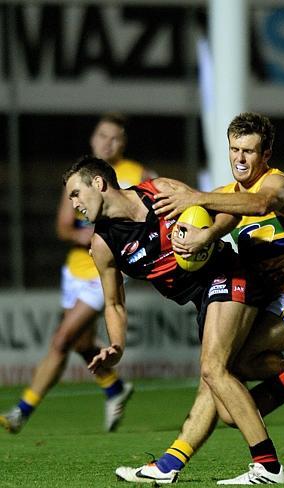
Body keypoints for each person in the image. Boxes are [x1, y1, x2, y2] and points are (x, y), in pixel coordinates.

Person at [62, 157, 284, 485]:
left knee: (212, 369)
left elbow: (224, 210)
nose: (73, 204)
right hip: (204, 299)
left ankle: (268, 466)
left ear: (98, 183)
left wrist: (206, 236)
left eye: (76, 193)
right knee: (224, 402)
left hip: (229, 274)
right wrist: (117, 345)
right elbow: (114, 303)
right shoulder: (103, 245)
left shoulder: (159, 193)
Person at [152, 111, 284, 421]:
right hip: (263, 297)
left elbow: (260, 204)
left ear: (265, 154)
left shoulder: (279, 184)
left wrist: (197, 199)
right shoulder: (223, 196)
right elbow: (181, 209)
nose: (240, 158)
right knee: (231, 377)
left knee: (234, 362)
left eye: (249, 151)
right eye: (234, 149)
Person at [0, 113, 155, 434]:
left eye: (114, 137)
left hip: (103, 272)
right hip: (74, 271)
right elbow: (62, 226)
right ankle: (114, 388)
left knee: (61, 340)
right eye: (101, 136)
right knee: (81, 340)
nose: (106, 142)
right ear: (92, 139)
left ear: (122, 142)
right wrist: (81, 235)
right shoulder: (78, 179)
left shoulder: (135, 173)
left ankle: (22, 409)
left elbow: (151, 204)